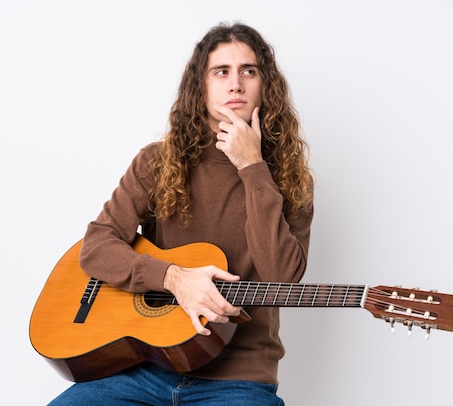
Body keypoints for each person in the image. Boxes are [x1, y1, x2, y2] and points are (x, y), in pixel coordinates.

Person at [48, 22, 314, 405]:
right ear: (201, 87)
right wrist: (173, 278)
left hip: (239, 380)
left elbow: (282, 279)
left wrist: (253, 167)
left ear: (265, 85)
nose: (235, 84)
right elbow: (96, 248)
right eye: (221, 72)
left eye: (248, 71)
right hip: (142, 366)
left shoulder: (290, 180)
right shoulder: (158, 162)